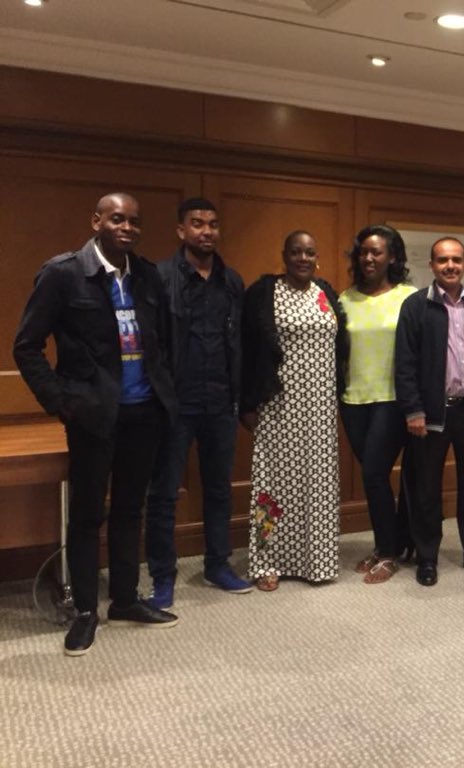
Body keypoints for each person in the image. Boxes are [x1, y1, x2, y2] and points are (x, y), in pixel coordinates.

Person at [13, 193, 179, 656]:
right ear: (96, 222)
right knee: (88, 515)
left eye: (134, 221)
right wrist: (61, 402)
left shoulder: (147, 275)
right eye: (117, 219)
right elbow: (26, 346)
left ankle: (124, 600)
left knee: (129, 510)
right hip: (92, 416)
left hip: (143, 412)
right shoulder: (64, 274)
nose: (127, 227)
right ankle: (86, 611)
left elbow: (163, 341)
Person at [144, 198, 250, 610]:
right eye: (197, 223)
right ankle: (162, 576)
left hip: (220, 402)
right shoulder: (159, 277)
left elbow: (239, 342)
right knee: (164, 493)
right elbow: (151, 344)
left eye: (213, 224)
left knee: (219, 490)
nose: (206, 231)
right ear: (181, 230)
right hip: (174, 404)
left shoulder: (231, 281)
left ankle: (217, 564)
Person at [239, 230, 349, 592]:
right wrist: (248, 402)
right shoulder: (264, 292)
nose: (303, 258)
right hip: (279, 406)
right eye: (296, 252)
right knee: (271, 486)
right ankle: (265, 560)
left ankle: (317, 559)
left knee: (318, 485)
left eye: (310, 252)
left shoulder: (325, 292)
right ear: (284, 255)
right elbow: (248, 350)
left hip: (320, 409)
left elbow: (340, 348)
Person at [394, 237, 464, 587]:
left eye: (456, 259)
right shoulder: (416, 306)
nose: (450, 266)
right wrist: (413, 410)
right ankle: (427, 557)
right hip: (430, 415)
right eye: (443, 260)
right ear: (432, 265)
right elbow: (404, 363)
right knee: (427, 489)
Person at [339, 224, 417, 584]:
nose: (369, 258)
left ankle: (387, 552)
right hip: (353, 399)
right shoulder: (344, 299)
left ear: (393, 257)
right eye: (364, 252)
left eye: (377, 252)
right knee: (374, 477)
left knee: (373, 473)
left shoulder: (409, 298)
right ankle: (389, 543)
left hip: (392, 399)